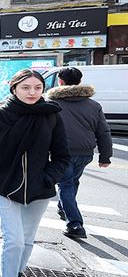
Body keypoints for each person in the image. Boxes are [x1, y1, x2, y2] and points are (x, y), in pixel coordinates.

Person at [0, 69, 69, 277]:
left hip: (39, 190)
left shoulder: (51, 115)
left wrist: (47, 178)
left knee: (27, 241)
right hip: (5, 188)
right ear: (14, 88)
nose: (32, 93)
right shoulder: (0, 115)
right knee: (14, 240)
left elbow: (62, 155)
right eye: (26, 87)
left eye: (37, 88)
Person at [46, 67, 113, 239]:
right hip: (85, 153)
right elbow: (103, 132)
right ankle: (64, 208)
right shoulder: (94, 105)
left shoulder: (52, 103)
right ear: (80, 81)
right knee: (72, 182)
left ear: (60, 81)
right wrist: (105, 156)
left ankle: (75, 224)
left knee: (66, 185)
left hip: (61, 152)